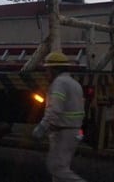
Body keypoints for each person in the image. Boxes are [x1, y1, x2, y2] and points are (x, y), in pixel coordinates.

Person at [32, 51, 86, 182]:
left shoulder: (59, 84)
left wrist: (41, 128)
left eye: (47, 70)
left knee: (56, 168)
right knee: (59, 170)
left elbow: (54, 110)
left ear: (54, 70)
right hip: (72, 130)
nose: (46, 74)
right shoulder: (73, 83)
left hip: (63, 131)